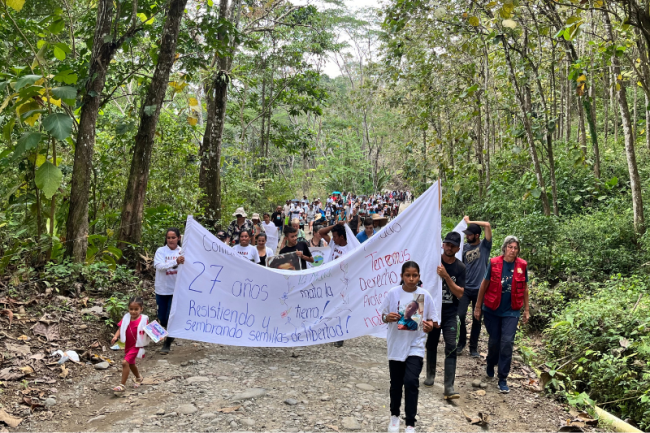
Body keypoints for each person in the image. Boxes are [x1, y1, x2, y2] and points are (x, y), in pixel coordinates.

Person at [380, 261, 435, 433]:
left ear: (419, 276)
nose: (411, 279)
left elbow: (432, 319)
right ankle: (394, 416)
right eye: (407, 275)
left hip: (415, 345)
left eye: (414, 275)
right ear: (402, 276)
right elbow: (382, 315)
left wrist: (429, 326)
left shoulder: (425, 295)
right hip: (396, 345)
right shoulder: (393, 293)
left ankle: (410, 422)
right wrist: (387, 317)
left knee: (411, 382)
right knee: (396, 383)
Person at [474, 235, 529, 394]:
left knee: (507, 343)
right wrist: (478, 307)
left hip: (512, 310)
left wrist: (526, 310)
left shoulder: (522, 265)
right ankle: (491, 362)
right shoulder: (494, 263)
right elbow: (484, 285)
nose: (512, 250)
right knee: (494, 341)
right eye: (510, 247)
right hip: (492, 309)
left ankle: (502, 378)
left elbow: (525, 288)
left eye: (515, 248)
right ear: (504, 248)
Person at [424, 231, 465, 400]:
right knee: (431, 343)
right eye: (447, 244)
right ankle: (430, 375)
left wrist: (447, 277)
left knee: (451, 345)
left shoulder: (460, 268)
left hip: (450, 312)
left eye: (452, 245)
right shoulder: (433, 261)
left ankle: (449, 386)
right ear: (443, 244)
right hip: (433, 311)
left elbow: (460, 293)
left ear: (457, 248)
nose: (449, 248)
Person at [457, 216, 493, 357]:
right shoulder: (464, 248)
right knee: (460, 315)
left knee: (477, 318)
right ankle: (461, 344)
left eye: (470, 235)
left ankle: (473, 348)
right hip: (465, 288)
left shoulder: (484, 246)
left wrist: (470, 222)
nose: (467, 237)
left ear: (477, 235)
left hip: (480, 289)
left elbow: (487, 224)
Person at [154, 228, 184, 354]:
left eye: (173, 237)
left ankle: (167, 343)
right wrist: (174, 262)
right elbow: (159, 266)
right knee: (162, 317)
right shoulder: (161, 251)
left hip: (176, 290)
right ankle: (164, 334)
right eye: (169, 238)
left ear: (178, 238)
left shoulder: (183, 252)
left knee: (170, 317)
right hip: (162, 289)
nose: (171, 240)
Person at [111, 297, 150, 392]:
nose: (133, 311)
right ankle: (138, 378)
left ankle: (122, 385)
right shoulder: (126, 317)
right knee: (131, 363)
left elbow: (149, 330)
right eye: (131, 309)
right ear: (128, 308)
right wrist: (115, 337)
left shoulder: (144, 319)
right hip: (128, 344)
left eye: (136, 309)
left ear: (141, 309)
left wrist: (158, 336)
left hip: (137, 345)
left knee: (125, 362)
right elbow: (121, 328)